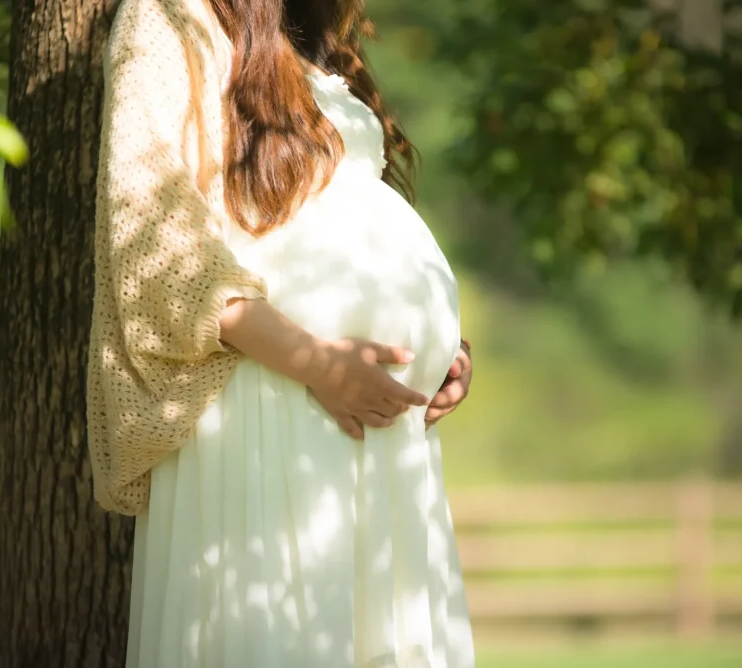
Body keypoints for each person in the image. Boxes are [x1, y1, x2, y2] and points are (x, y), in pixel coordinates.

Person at [86, 0, 475, 665]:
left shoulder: (313, 31)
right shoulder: (168, 16)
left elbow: (353, 206)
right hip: (266, 406)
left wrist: (442, 351)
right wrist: (318, 365)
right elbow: (153, 243)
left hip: (372, 424)